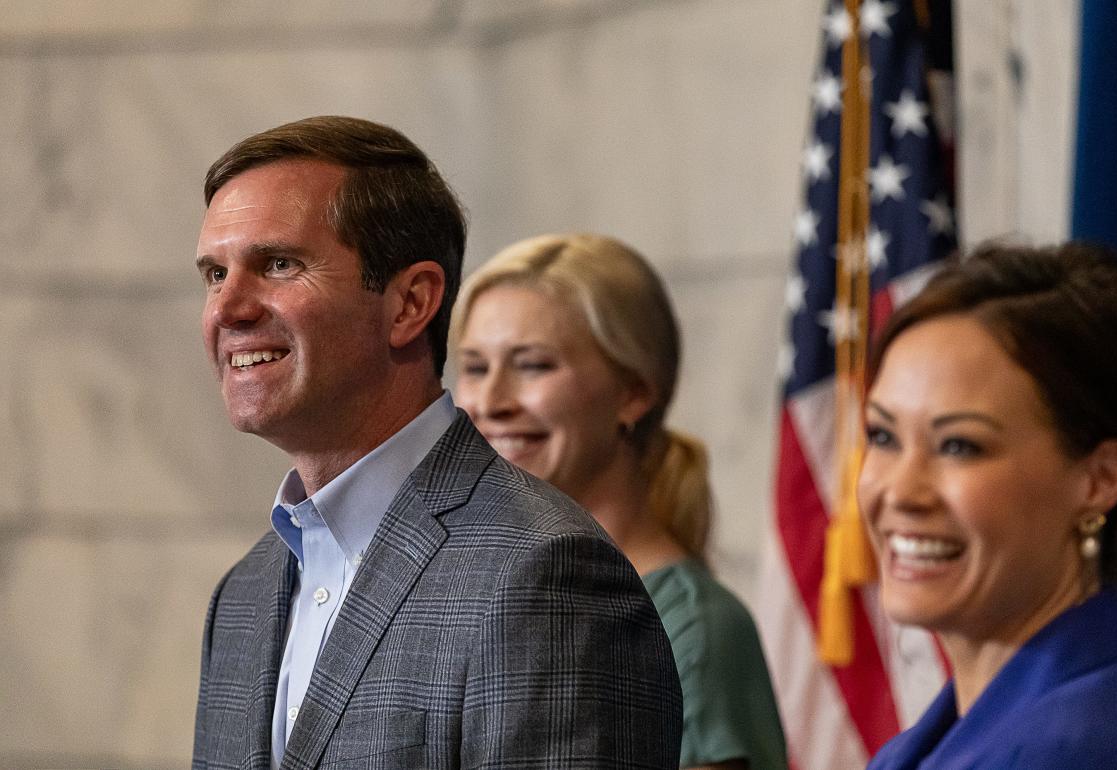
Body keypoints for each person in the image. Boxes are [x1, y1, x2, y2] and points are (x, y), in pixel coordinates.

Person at [190, 117, 681, 770]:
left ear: (409, 304)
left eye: (279, 264)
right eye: (214, 273)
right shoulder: (244, 593)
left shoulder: (542, 573)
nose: (228, 308)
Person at [451, 233, 788, 770]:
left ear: (632, 392)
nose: (490, 403)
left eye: (533, 365)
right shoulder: (467, 594)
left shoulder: (696, 632)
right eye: (474, 367)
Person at [859, 241, 1117, 768]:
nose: (900, 492)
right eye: (883, 437)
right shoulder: (952, 738)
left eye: (958, 446)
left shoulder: (1080, 750)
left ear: (1100, 479)